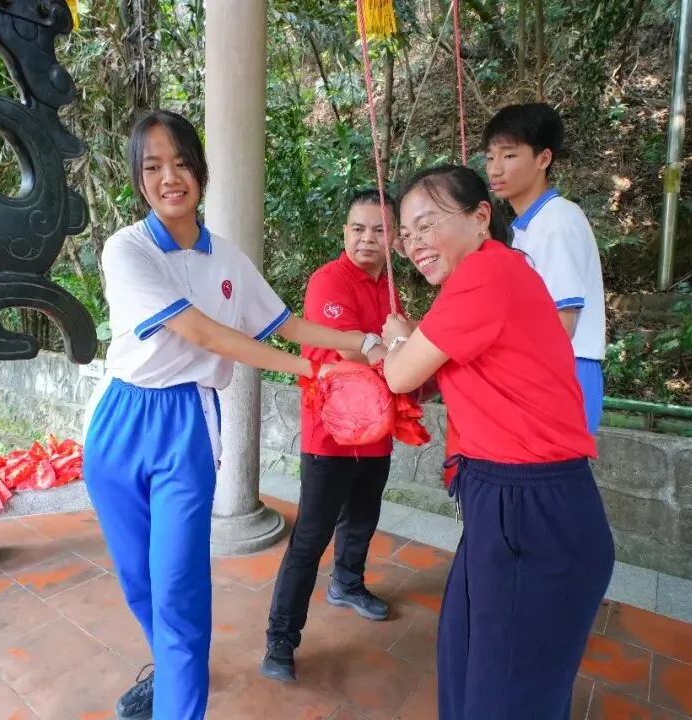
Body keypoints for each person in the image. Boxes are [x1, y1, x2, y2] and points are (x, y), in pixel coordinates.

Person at [82, 109, 374, 720]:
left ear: (201, 171)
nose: (170, 178)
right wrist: (312, 370)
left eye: (182, 163)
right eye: (154, 166)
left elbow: (283, 322)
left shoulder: (229, 259)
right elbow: (202, 332)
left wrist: (363, 343)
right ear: (139, 178)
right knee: (141, 582)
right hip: (118, 420)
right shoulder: (126, 248)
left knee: (179, 588)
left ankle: (178, 702)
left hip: (186, 423)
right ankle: (168, 673)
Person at [379, 164, 615, 719]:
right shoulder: (496, 276)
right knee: (467, 663)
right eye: (406, 234)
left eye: (427, 225)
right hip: (506, 500)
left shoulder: (486, 276)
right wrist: (407, 343)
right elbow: (445, 363)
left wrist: (394, 340)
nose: (414, 244)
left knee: (503, 693)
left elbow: (400, 374)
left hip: (530, 507)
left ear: (481, 217)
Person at [260, 188, 403, 683]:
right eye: (358, 228)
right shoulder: (328, 281)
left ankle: (347, 583)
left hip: (378, 430)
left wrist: (400, 347)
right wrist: (399, 347)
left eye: (379, 230)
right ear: (344, 232)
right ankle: (281, 637)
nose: (367, 239)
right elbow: (351, 357)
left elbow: (397, 349)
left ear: (394, 239)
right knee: (310, 537)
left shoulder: (393, 286)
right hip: (331, 434)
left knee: (363, 518)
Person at [484, 103, 607, 433]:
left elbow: (560, 325)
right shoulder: (526, 227)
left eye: (509, 156)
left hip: (562, 371)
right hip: (544, 370)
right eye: (490, 157)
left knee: (553, 481)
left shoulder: (557, 222)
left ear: (543, 159)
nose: (495, 169)